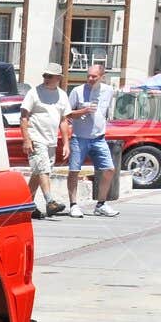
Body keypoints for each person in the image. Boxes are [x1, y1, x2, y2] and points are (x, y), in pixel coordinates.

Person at [65, 63, 119, 217]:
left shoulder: (108, 91)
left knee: (109, 169)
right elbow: (67, 114)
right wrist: (83, 111)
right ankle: (73, 204)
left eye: (94, 76)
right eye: (88, 75)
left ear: (102, 77)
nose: (90, 78)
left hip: (99, 138)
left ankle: (101, 204)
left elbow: (106, 113)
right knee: (74, 171)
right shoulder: (77, 91)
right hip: (79, 137)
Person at [18, 65, 69, 218]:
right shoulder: (34, 92)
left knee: (38, 173)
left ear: (58, 78)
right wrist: (26, 139)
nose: (46, 78)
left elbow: (64, 120)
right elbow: (23, 117)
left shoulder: (62, 95)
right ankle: (50, 201)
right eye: (45, 75)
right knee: (43, 170)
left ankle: (27, 207)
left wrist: (66, 143)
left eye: (50, 76)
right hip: (36, 138)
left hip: (51, 141)